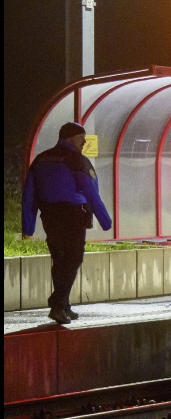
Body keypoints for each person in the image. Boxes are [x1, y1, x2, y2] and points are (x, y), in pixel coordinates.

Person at [21, 122, 112, 325]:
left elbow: (29, 195)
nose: (85, 142)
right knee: (74, 258)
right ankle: (57, 303)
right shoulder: (77, 160)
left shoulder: (41, 159)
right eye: (82, 138)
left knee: (59, 258)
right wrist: (105, 220)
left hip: (49, 216)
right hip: (73, 215)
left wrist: (28, 226)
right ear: (72, 139)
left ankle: (64, 306)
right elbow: (91, 193)